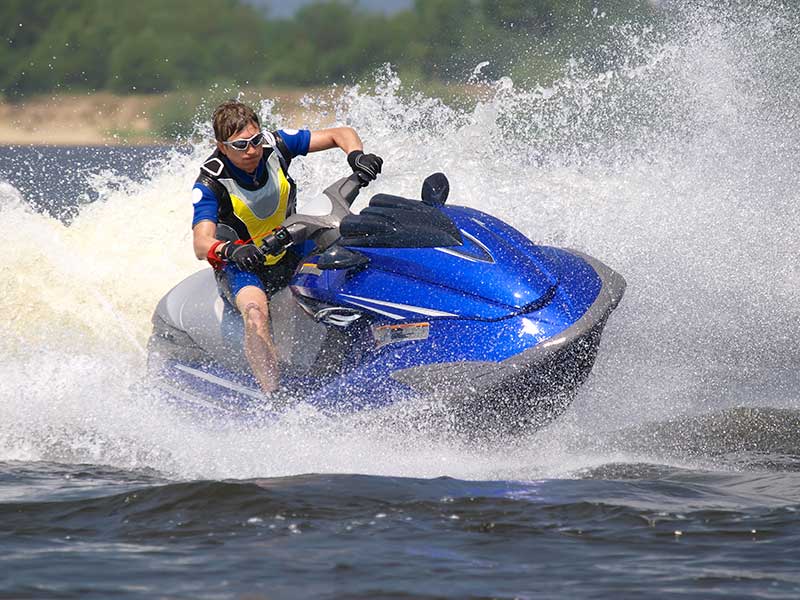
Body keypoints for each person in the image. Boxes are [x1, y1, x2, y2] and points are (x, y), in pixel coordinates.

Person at [191, 100, 383, 395]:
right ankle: (273, 396)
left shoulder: (276, 145)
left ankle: (370, 348)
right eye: (241, 145)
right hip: (245, 263)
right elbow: (201, 244)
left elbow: (340, 134)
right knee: (256, 313)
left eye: (255, 140)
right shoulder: (210, 183)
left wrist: (357, 157)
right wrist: (232, 251)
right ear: (222, 146)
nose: (252, 151)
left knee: (349, 256)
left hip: (289, 243)